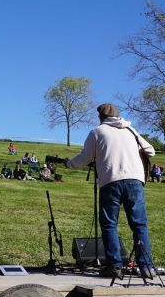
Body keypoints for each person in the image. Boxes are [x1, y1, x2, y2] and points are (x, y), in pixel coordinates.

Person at [65, 103, 156, 280]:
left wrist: (69, 163)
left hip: (111, 181)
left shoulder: (97, 132)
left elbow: (84, 159)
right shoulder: (131, 130)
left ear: (101, 117)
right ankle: (146, 267)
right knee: (139, 224)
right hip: (135, 181)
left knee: (109, 224)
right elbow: (150, 151)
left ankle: (115, 266)